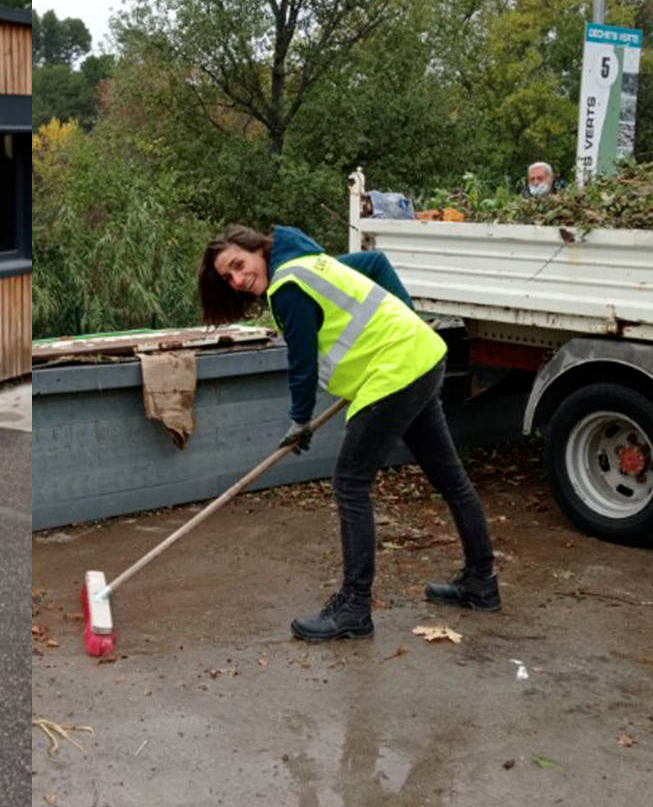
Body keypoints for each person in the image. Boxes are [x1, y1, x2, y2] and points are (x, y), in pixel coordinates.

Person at [197, 224, 500, 641]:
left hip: (394, 374)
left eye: (238, 265)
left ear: (255, 249)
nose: (239, 279)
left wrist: (300, 419)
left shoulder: (287, 285)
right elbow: (375, 264)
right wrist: (408, 323)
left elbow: (301, 363)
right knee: (450, 478)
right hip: (422, 356)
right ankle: (481, 583)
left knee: (350, 482)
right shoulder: (309, 261)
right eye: (229, 279)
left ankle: (355, 608)